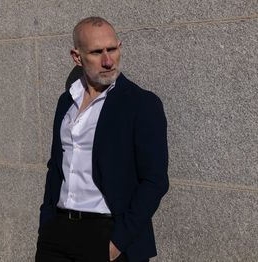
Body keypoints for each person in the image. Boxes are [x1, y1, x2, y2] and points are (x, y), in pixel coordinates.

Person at [35, 16, 169, 262]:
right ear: (77, 57)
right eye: (97, 52)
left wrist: (117, 243)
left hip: (108, 233)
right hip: (57, 233)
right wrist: (46, 222)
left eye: (112, 49)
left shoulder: (141, 103)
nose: (108, 61)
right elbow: (56, 165)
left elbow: (155, 181)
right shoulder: (66, 102)